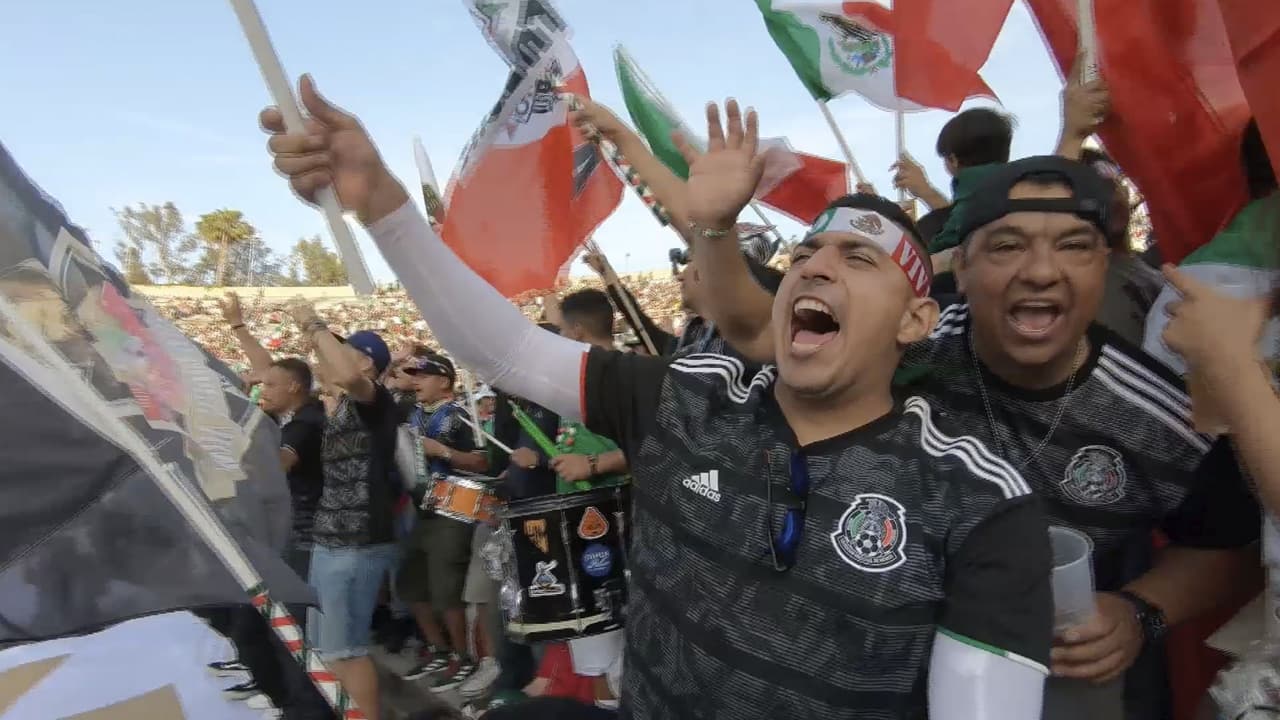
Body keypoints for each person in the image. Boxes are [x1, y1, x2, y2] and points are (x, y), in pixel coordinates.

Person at [261, 79, 1054, 719]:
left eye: (858, 259)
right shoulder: (690, 397)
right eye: (808, 252)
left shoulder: (978, 500)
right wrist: (383, 204)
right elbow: (506, 350)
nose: (816, 267)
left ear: (916, 320)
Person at [696, 152, 1263, 719]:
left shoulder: (1160, 418)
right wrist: (713, 228)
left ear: (1105, 264)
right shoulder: (909, 339)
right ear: (961, 268)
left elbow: (1228, 546)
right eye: (1007, 246)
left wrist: (1140, 611)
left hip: (1048, 676)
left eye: (1073, 246)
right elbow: (766, 329)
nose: (1040, 272)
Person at [286, 300, 402, 720]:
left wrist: (315, 324)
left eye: (343, 349)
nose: (330, 359)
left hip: (357, 541)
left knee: (347, 650)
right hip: (331, 538)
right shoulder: (337, 408)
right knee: (327, 648)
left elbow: (348, 376)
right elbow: (283, 376)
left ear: (368, 363)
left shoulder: (374, 400)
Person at [397, 352, 488, 692]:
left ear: (444, 381)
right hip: (420, 508)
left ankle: (464, 657)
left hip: (453, 507)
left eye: (423, 376)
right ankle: (439, 649)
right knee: (411, 584)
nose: (415, 381)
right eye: (414, 375)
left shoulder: (461, 416)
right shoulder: (413, 413)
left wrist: (443, 452)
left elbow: (482, 462)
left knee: (446, 589)